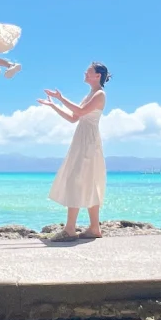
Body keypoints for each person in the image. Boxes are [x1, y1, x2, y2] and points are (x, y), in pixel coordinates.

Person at [39, 62, 110, 240]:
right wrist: (53, 105)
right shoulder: (90, 94)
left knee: (77, 180)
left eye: (89, 71)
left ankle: (70, 229)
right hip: (82, 139)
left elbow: (80, 110)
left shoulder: (100, 94)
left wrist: (61, 98)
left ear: (98, 75)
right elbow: (73, 118)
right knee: (86, 180)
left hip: (89, 141)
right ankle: (94, 228)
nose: (85, 73)